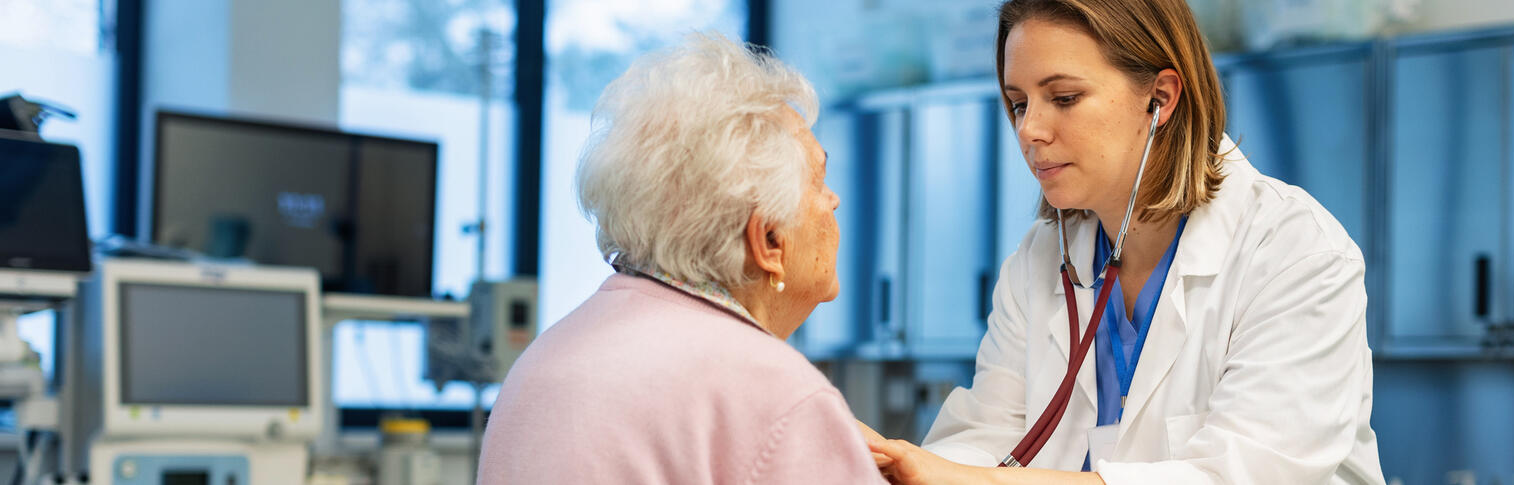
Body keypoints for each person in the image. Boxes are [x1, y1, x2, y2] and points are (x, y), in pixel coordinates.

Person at [864, 1, 1385, 483]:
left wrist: (983, 481)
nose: (1029, 131)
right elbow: (986, 437)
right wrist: (898, 463)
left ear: (1159, 99)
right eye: (1019, 104)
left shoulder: (1294, 254)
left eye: (1063, 98)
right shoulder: (1042, 260)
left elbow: (1241, 474)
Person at [476, 34, 882, 484]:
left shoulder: (544, 359)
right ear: (768, 238)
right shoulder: (774, 393)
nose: (835, 201)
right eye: (819, 181)